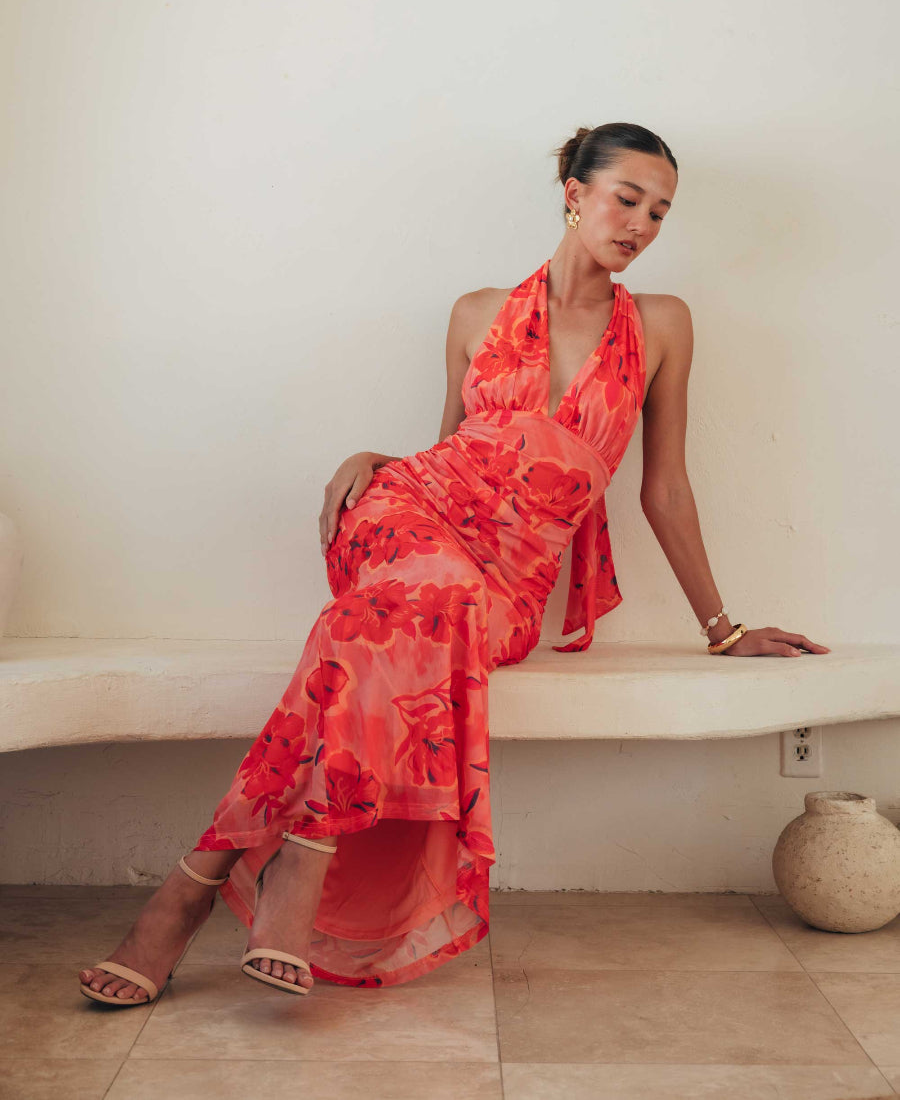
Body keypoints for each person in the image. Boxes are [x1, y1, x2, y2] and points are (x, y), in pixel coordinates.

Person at [78, 121, 831, 1006]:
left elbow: (663, 488)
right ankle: (303, 858)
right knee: (424, 591)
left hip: (505, 580)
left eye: (661, 212)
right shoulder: (476, 311)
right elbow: (455, 450)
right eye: (627, 198)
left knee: (377, 625)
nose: (642, 224)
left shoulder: (663, 325)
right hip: (414, 514)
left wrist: (725, 628)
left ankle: (186, 892)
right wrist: (379, 462)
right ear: (574, 192)